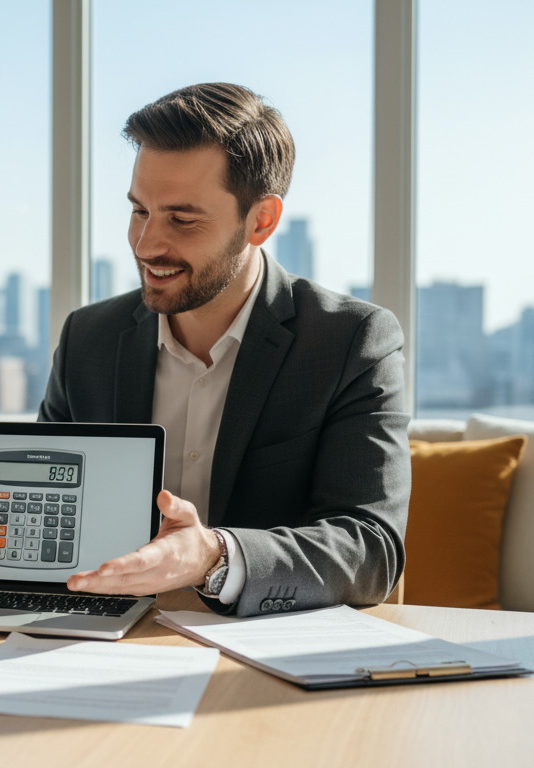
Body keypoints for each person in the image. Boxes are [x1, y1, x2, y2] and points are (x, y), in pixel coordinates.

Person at [39, 83, 409, 617]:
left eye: (183, 219)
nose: (146, 245)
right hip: (98, 630)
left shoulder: (351, 341)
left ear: (261, 220)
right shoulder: (88, 339)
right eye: (140, 211)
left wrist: (214, 555)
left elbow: (370, 549)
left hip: (259, 653)